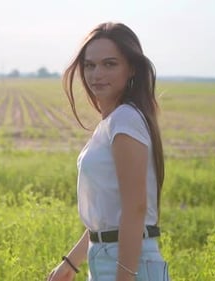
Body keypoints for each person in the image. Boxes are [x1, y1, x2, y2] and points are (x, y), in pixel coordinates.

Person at [47, 22, 170, 281]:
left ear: (132, 68)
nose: (96, 74)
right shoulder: (113, 122)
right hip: (106, 257)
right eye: (90, 65)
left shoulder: (125, 119)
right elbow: (107, 219)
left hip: (127, 263)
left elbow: (135, 208)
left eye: (109, 64)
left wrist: (123, 278)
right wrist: (70, 264)